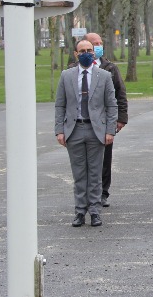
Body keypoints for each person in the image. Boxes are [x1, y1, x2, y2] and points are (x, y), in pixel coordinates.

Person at [55, 40, 118, 227]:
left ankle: (95, 211)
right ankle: (80, 211)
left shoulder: (104, 76)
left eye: (89, 50)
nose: (87, 53)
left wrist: (110, 130)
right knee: (79, 174)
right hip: (74, 130)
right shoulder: (66, 76)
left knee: (95, 173)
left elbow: (111, 105)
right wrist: (59, 130)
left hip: (96, 130)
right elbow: (60, 105)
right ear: (76, 53)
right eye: (82, 50)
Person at [66, 33, 128, 208]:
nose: (98, 46)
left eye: (100, 43)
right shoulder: (71, 70)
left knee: (103, 160)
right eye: (95, 43)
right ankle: (84, 197)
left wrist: (120, 119)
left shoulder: (110, 68)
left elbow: (119, 95)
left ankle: (102, 193)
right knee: (82, 164)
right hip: (79, 124)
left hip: (103, 123)